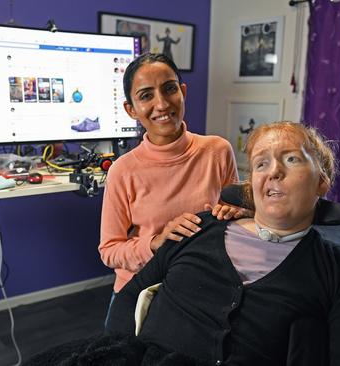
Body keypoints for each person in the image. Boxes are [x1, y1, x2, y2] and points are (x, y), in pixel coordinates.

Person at [105, 121, 340, 365]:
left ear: (321, 182)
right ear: (252, 187)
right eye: (261, 163)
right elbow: (129, 298)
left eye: (291, 159)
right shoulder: (197, 229)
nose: (274, 171)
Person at [99, 53, 243, 315]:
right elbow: (110, 251)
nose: (162, 104)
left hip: (201, 285)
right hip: (140, 292)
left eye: (169, 89)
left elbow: (236, 222)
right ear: (130, 109)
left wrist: (236, 215)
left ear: (183, 91)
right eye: (146, 96)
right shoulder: (122, 171)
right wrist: (156, 242)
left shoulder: (218, 150)